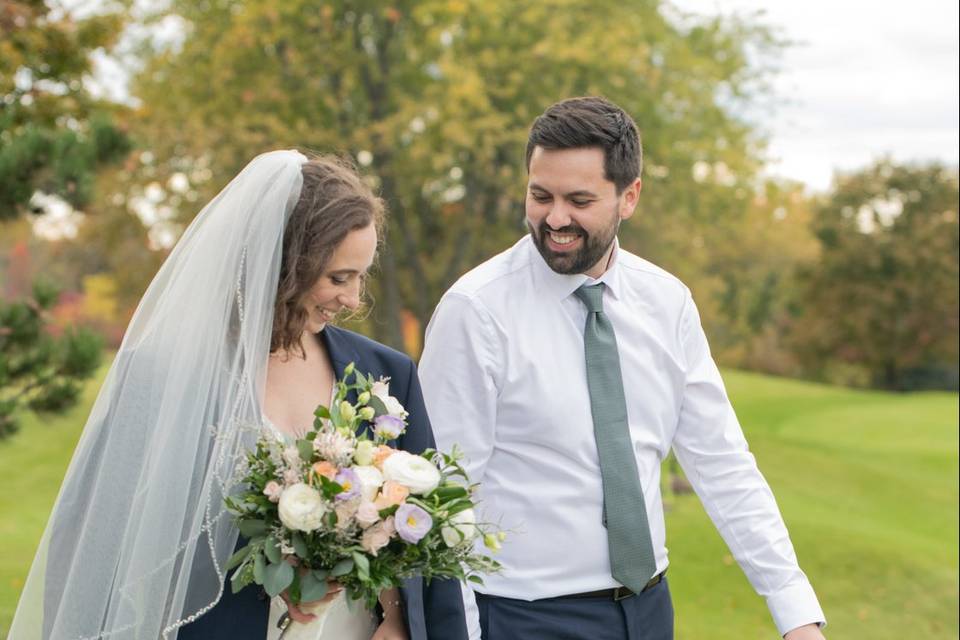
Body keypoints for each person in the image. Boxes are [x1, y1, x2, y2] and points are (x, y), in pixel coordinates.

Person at [9, 151, 467, 640]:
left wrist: (396, 621)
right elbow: (90, 539)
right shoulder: (165, 377)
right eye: (338, 278)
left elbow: (423, 531)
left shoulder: (386, 375)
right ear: (287, 265)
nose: (354, 299)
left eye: (361, 276)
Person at [418, 97, 827, 640]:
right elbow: (441, 495)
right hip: (522, 618)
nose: (555, 218)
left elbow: (722, 462)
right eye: (540, 196)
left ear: (629, 196)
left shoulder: (669, 302)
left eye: (579, 200)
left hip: (649, 611)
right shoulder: (475, 310)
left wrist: (794, 610)